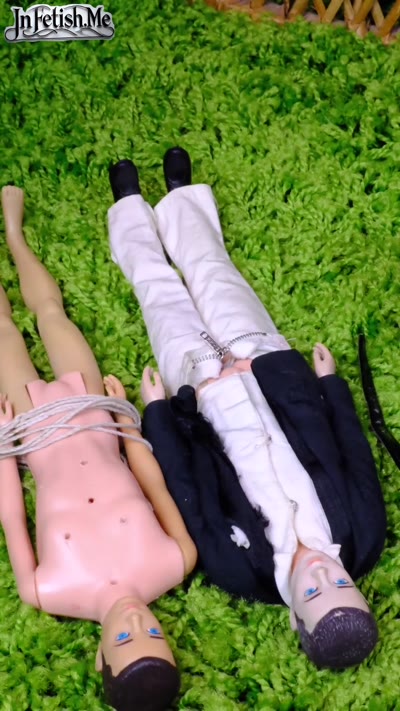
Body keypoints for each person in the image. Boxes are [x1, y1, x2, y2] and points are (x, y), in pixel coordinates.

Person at [107, 147, 386, 669]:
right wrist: (330, 384)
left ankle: (128, 208)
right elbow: (355, 455)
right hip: (271, 371)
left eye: (313, 593)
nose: (322, 574)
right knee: (216, 277)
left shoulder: (240, 570)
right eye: (342, 583)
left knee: (161, 298)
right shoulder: (364, 535)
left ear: (294, 618)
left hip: (204, 396)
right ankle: (181, 200)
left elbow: (190, 492)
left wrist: (159, 414)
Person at [0, 185, 198, 711]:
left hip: (34, 428)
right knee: (52, 314)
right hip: (91, 411)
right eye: (154, 634)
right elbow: (154, 485)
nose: (137, 621)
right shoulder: (175, 560)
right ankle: (15, 235)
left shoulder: (47, 590)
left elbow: (13, 517)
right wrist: (125, 421)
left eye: (125, 639)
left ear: (99, 657)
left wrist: (3, 449)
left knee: (2, 334)